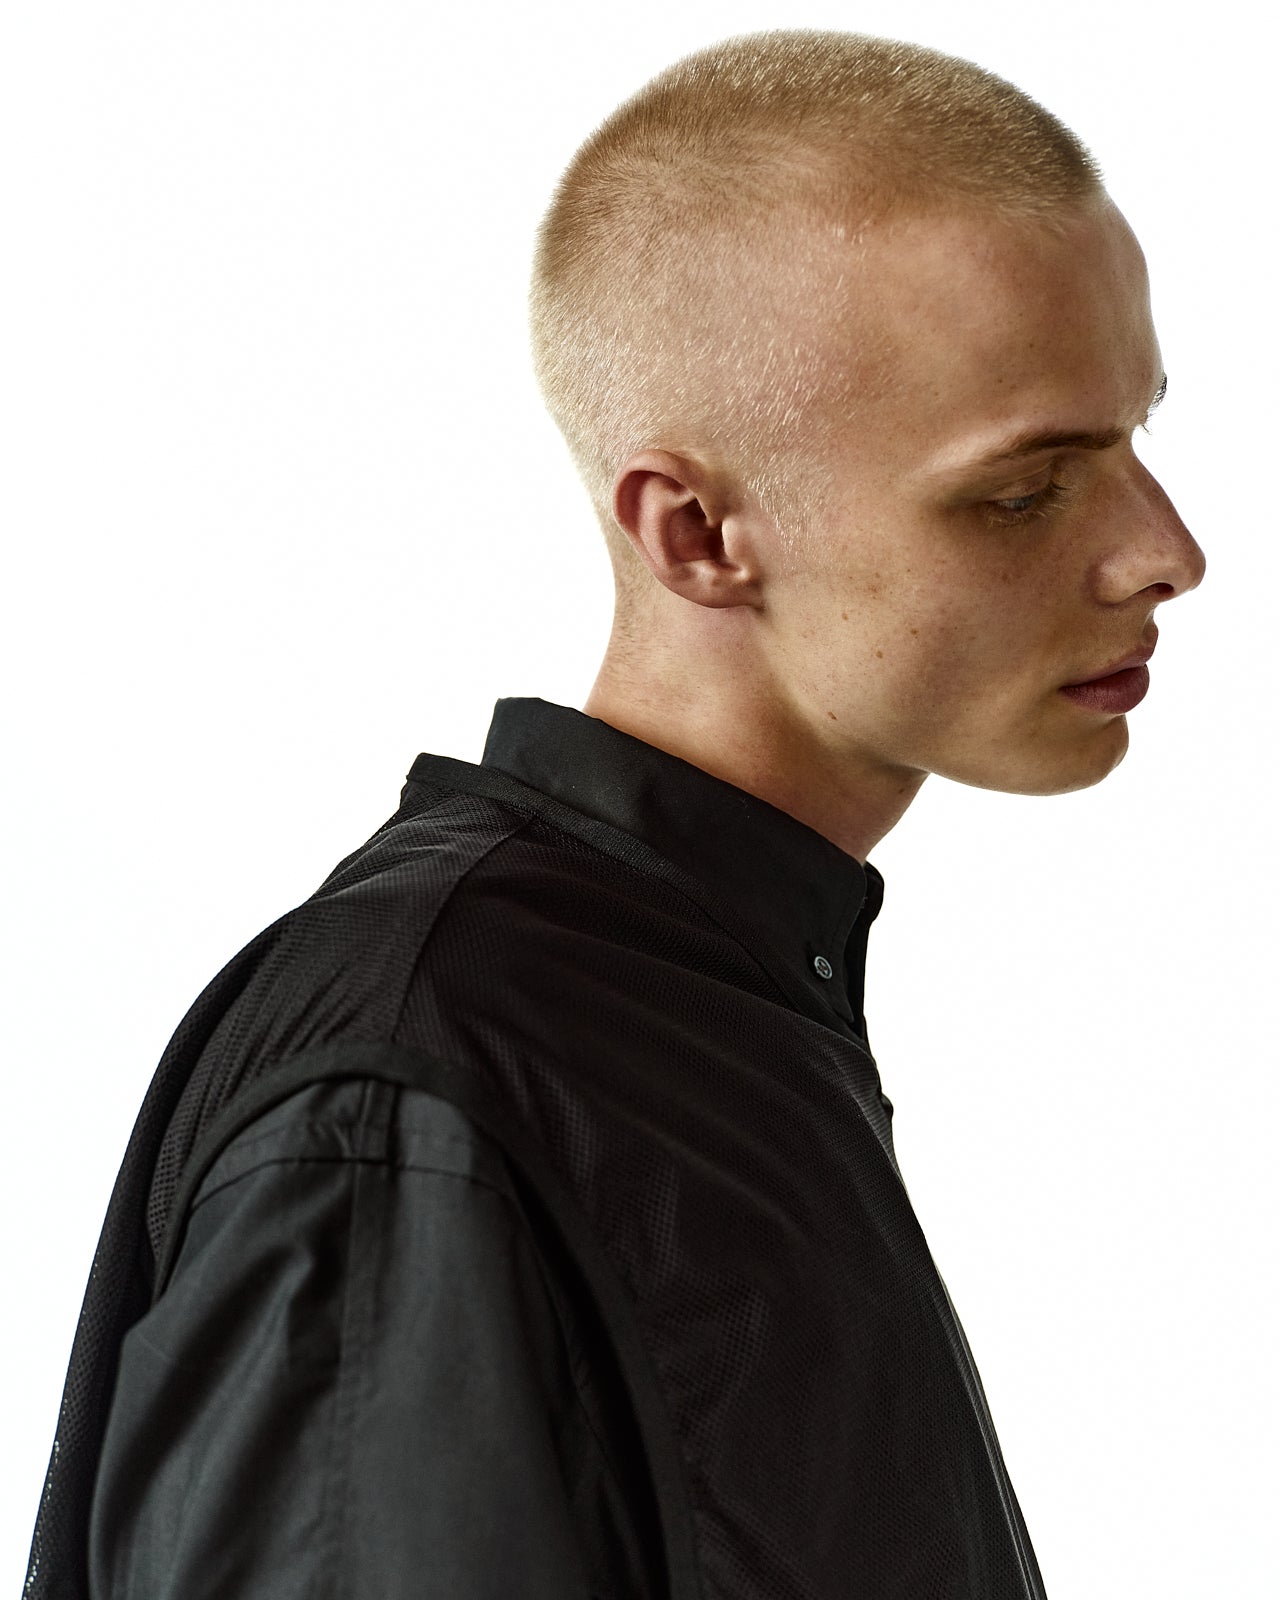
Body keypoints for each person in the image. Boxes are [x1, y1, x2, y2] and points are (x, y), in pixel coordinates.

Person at [25, 27, 1205, 1600]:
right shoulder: (423, 1088)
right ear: (697, 533)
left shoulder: (703, 1007)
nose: (1165, 550)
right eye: (1022, 488)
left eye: (1136, 437)